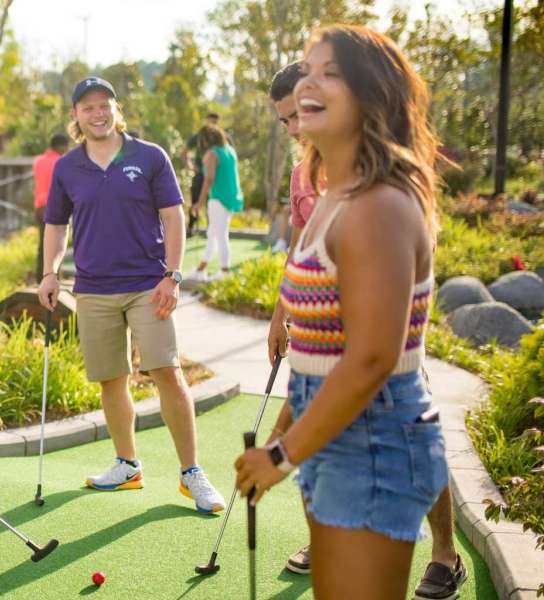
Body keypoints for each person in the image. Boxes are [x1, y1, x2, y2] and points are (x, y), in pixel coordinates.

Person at [234, 26, 450, 599]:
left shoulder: (380, 202)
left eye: (329, 71)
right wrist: (282, 433)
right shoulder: (335, 194)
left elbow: (373, 357)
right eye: (308, 68)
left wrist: (281, 454)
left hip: (376, 438)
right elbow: (320, 353)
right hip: (339, 434)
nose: (309, 81)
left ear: (371, 94)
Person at [38, 76, 226, 514]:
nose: (97, 113)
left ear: (116, 109)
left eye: (104, 105)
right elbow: (55, 225)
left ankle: (191, 473)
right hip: (93, 289)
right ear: (76, 116)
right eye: (88, 108)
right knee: (111, 380)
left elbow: (173, 217)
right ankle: (127, 465)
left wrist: (173, 276)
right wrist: (48, 272)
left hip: (148, 285)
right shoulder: (67, 167)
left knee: (167, 373)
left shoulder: (149, 156)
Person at [189, 125, 243, 281]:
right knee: (212, 234)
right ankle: (201, 270)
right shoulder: (230, 151)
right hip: (230, 198)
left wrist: (199, 202)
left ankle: (225, 272)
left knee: (220, 235)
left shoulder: (212, 154)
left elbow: (209, 179)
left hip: (218, 199)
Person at [33, 133, 69, 281]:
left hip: (39, 207)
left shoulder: (38, 161)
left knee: (43, 245)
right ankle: (54, 278)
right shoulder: (61, 162)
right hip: (54, 206)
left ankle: (39, 278)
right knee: (56, 245)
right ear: (62, 147)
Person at [183, 113, 221, 236]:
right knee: (195, 200)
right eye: (210, 122)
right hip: (200, 174)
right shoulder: (199, 136)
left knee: (212, 203)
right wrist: (191, 166)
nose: (212, 125)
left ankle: (212, 230)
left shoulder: (220, 137)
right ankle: (190, 228)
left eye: (214, 122)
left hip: (215, 176)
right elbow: (184, 152)